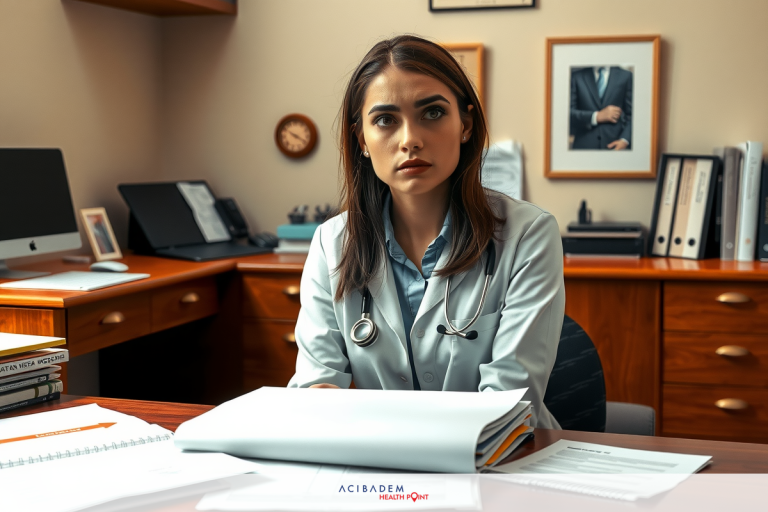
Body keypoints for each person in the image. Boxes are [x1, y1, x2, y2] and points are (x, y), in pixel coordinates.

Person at [287, 35, 565, 429]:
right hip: (381, 472)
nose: (409, 140)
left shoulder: (528, 235)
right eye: (385, 120)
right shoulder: (332, 244)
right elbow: (316, 391)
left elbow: (508, 402)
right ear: (361, 139)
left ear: (465, 125)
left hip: (498, 466)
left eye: (432, 113)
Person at [569, 66, 632, 150]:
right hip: (584, 147)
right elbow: (567, 113)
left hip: (616, 146)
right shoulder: (576, 76)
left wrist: (625, 140)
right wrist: (596, 116)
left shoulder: (626, 76)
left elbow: (633, 114)